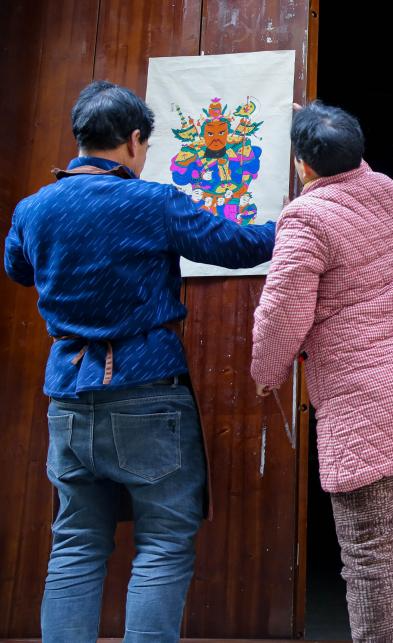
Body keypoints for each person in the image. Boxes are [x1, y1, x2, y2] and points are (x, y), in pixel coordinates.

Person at [3, 80, 276, 642]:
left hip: (69, 397)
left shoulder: (32, 209)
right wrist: (298, 219)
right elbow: (241, 246)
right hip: (148, 390)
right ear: (133, 140)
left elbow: (18, 269)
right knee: (164, 543)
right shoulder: (154, 201)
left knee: (76, 543)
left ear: (80, 138)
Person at [250, 100, 393, 642]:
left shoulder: (305, 218)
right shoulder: (389, 191)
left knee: (368, 553)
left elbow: (282, 313)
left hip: (363, 406)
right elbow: (345, 165)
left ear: (302, 165)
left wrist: (266, 372)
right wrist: (319, 124)